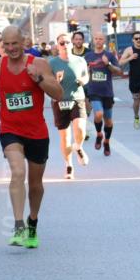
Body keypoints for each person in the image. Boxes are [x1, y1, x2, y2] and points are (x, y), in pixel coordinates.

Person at [0, 26, 63, 248]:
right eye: (6, 45)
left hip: (37, 132)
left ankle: (32, 222)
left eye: (14, 44)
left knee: (36, 185)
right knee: (18, 172)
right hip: (10, 129)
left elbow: (58, 93)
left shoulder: (39, 65)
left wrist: (39, 80)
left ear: (23, 42)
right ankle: (18, 225)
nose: (11, 49)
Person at [48, 33, 90, 178]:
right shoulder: (52, 63)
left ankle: (78, 147)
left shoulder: (80, 60)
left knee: (80, 130)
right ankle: (68, 165)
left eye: (67, 42)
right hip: (59, 101)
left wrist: (83, 81)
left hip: (77, 98)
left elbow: (86, 75)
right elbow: (47, 84)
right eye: (61, 43)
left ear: (71, 44)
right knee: (65, 137)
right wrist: (56, 81)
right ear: (57, 46)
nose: (65, 45)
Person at [83, 32, 122, 157]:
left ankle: (106, 141)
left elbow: (119, 71)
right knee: (99, 114)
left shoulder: (109, 55)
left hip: (107, 92)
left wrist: (108, 64)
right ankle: (99, 133)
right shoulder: (88, 56)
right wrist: (86, 72)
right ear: (93, 40)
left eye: (100, 39)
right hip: (94, 90)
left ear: (104, 41)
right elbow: (81, 73)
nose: (98, 41)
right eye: (96, 38)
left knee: (108, 121)